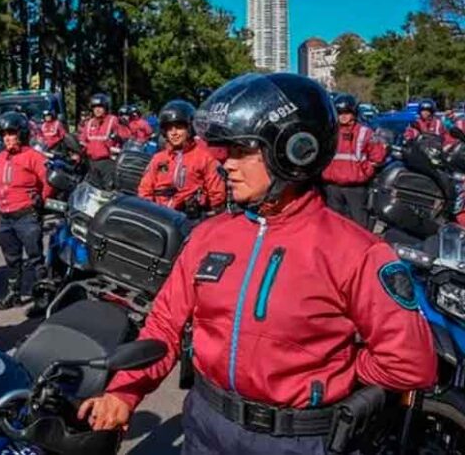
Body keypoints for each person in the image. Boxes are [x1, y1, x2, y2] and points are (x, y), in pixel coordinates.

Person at [79, 73, 436, 455]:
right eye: (225, 152)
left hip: (296, 441)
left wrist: (336, 372)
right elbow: (164, 324)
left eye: (242, 151)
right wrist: (124, 392)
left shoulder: (356, 252)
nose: (226, 165)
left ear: (297, 149)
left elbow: (410, 363)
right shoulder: (209, 236)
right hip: (204, 426)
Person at [0, 112, 53, 316]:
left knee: (35, 258)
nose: (7, 138)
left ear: (21, 134)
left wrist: (41, 198)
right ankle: (13, 294)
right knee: (11, 259)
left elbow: (48, 180)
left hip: (27, 216)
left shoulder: (34, 157)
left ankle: (43, 297)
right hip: (5, 218)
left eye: (11, 134)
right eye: (3, 134)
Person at [138, 100, 225, 217]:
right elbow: (145, 190)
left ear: (189, 129)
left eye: (179, 127)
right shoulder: (158, 158)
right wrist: (148, 212)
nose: (174, 133)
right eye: (169, 129)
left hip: (189, 218)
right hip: (159, 216)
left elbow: (217, 195)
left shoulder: (204, 158)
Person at [322, 93, 387, 227]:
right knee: (334, 223)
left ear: (354, 113)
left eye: (347, 112)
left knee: (360, 224)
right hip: (332, 186)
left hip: (355, 188)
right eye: (340, 113)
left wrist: (365, 172)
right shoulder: (329, 131)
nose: (343, 116)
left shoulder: (365, 132)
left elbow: (378, 156)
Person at [78, 93, 129, 189]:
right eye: (95, 107)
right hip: (92, 163)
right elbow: (83, 141)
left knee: (108, 190)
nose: (97, 110)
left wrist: (118, 136)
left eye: (100, 107)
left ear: (106, 108)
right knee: (92, 189)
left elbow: (126, 135)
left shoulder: (113, 120)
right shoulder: (89, 123)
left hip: (108, 163)